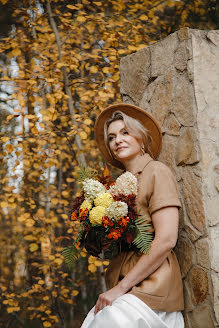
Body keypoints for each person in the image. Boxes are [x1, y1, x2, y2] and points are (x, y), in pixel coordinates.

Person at [81, 103, 184, 328]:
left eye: (125, 132)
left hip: (153, 286)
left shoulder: (157, 171)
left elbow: (167, 240)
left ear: (141, 137)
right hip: (122, 284)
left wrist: (120, 288)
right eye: (111, 137)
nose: (118, 140)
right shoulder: (114, 189)